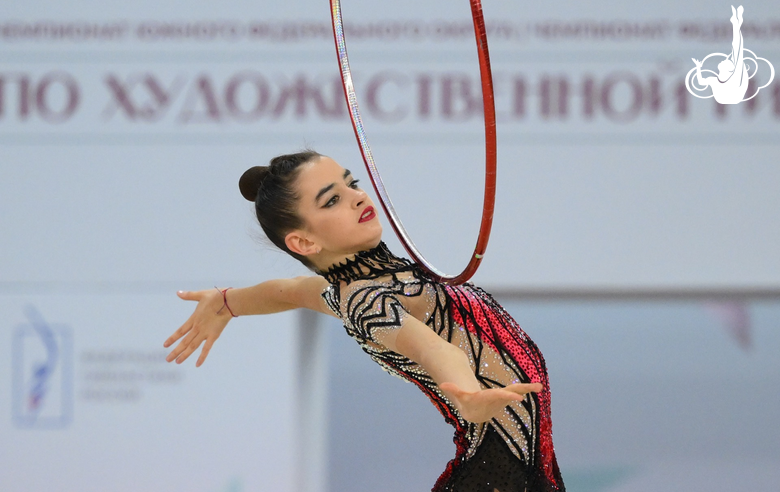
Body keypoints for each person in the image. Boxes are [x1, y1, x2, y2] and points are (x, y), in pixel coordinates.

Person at [164, 151, 565, 492]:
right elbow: (434, 349)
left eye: (351, 183)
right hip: (500, 472)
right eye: (332, 200)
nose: (357, 197)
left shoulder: (347, 288)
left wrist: (227, 302)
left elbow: (289, 290)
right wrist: (468, 397)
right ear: (304, 242)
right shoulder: (365, 302)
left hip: (521, 463)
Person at [692, 5, 748, 104]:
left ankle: (736, 24)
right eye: (727, 60)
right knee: (737, 51)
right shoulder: (714, 80)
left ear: (729, 69)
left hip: (733, 96)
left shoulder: (734, 77)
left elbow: (738, 48)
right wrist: (698, 67)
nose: (725, 59)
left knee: (737, 50)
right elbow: (701, 82)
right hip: (727, 98)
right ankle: (736, 24)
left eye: (727, 61)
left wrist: (736, 26)